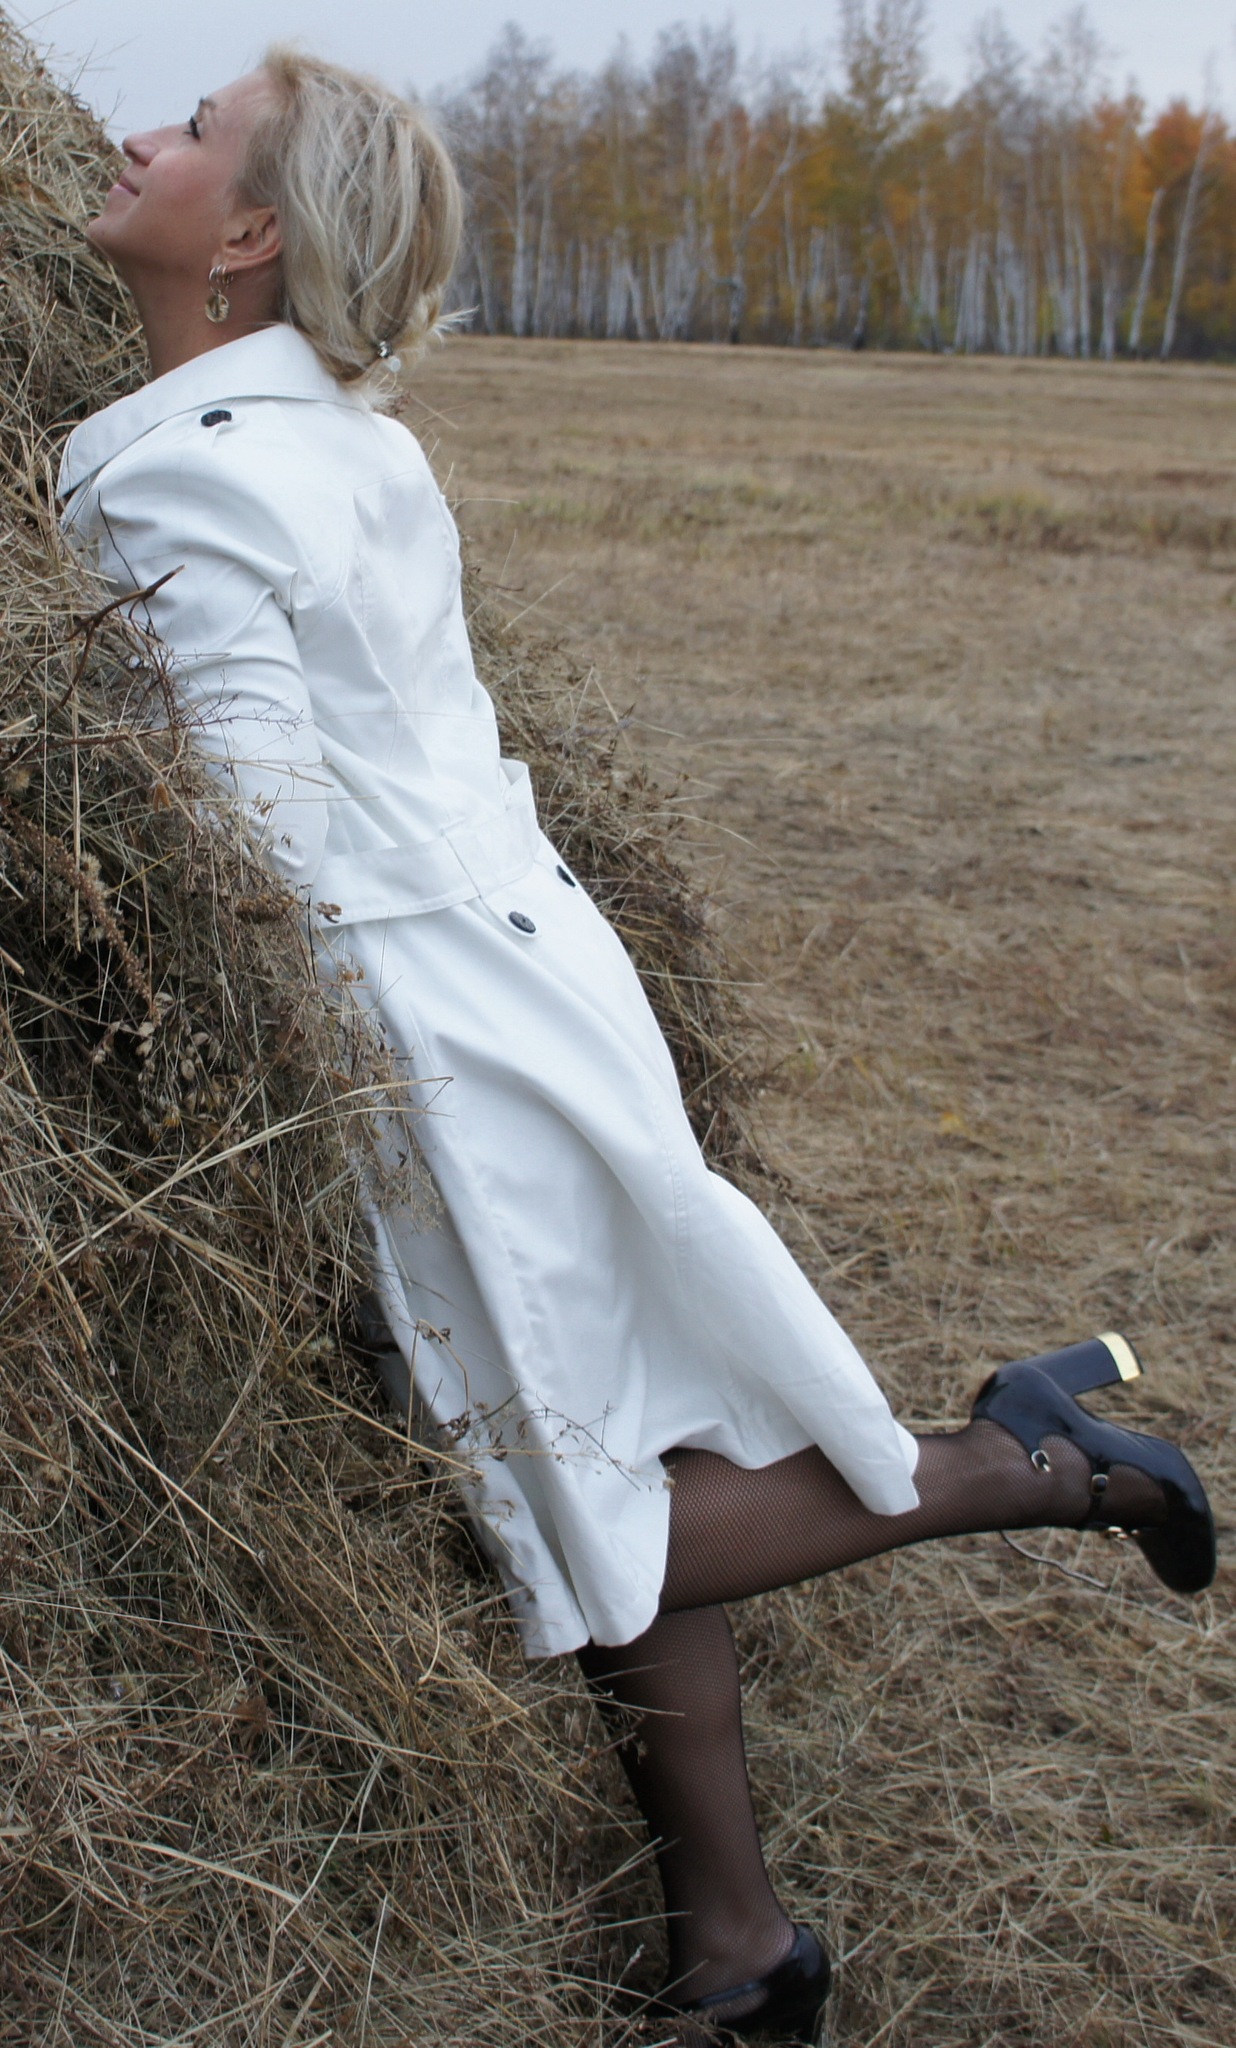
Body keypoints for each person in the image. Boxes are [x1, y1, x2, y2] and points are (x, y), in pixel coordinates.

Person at [60, 52, 1216, 2046]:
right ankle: (738, 1947)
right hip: (530, 976)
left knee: (582, 1504)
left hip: (430, 1048)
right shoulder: (349, 436)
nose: (134, 134)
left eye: (192, 130)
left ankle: (1023, 1464)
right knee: (624, 1450)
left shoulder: (180, 468)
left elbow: (248, 836)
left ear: (248, 230)